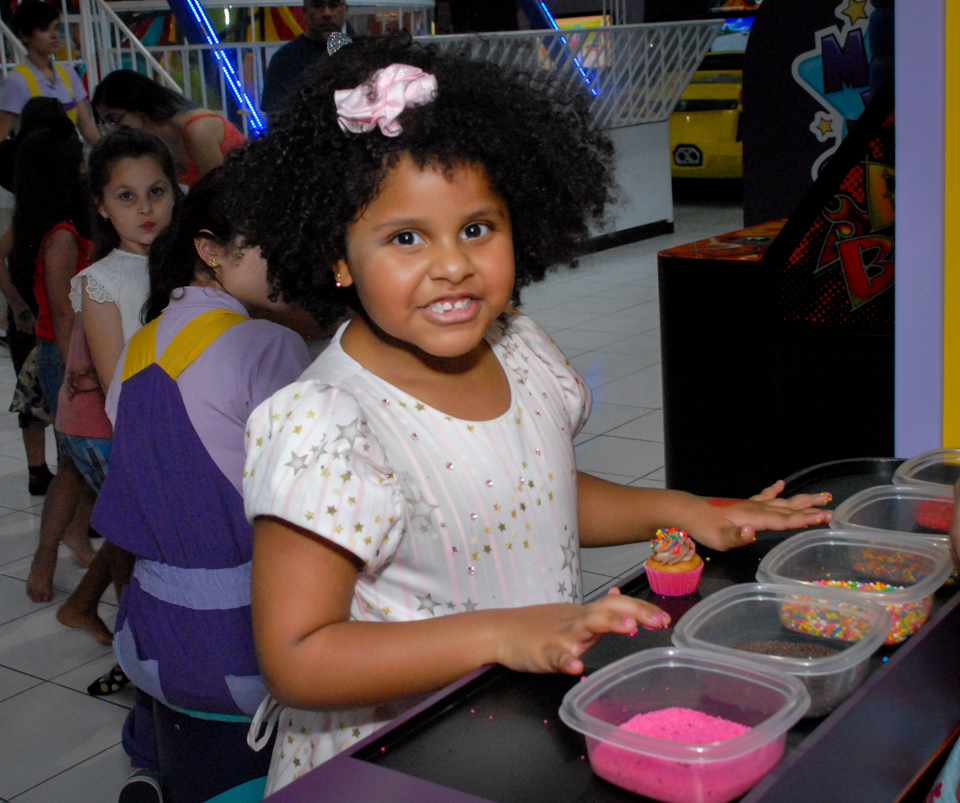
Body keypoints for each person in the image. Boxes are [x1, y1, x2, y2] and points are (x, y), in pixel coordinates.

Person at [229, 34, 836, 794]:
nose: (452, 264)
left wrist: (684, 509)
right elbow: (297, 656)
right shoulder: (327, 422)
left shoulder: (516, 347)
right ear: (338, 256)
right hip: (398, 760)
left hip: (524, 720)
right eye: (406, 237)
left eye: (476, 228)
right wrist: (501, 633)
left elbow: (534, 492)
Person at [91, 168, 312, 803]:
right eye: (270, 243)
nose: (286, 262)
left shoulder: (139, 347)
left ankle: (150, 770)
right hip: (250, 649)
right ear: (210, 250)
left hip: (151, 638)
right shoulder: (267, 345)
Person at [53, 129, 183, 655]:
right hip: (135, 438)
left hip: (186, 433)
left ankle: (153, 642)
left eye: (157, 191)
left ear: (177, 192)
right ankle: (140, 651)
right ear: (102, 208)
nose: (145, 208)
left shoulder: (194, 262)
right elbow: (118, 390)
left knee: (155, 548)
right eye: (126, 196)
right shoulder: (100, 281)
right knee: (139, 549)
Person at [8, 116, 97, 601]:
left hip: (82, 354)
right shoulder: (61, 234)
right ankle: (45, 560)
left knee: (84, 462)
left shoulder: (66, 225)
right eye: (77, 159)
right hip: (68, 357)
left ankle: (75, 536)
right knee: (72, 462)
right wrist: (77, 371)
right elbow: (62, 312)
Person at [0, 96, 69, 496]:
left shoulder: (27, 206)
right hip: (48, 319)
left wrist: (17, 307)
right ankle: (64, 471)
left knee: (30, 398)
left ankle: (38, 471)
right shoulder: (56, 211)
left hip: (27, 316)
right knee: (57, 396)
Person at [0, 0, 100, 232]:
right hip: (37, 178)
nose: (54, 35)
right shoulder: (16, 81)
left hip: (73, 171)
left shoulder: (68, 74)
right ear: (24, 35)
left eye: (56, 28)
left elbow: (88, 129)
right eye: (45, 29)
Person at [90, 70, 245, 188]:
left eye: (114, 119)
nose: (113, 130)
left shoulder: (197, 129)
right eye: (106, 123)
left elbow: (218, 194)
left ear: (137, 106)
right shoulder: (154, 142)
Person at [260, 0, 349, 115]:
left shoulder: (357, 54)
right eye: (317, 6)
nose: (327, 13)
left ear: (345, 10)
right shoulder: (285, 59)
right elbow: (276, 118)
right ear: (305, 12)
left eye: (333, 5)